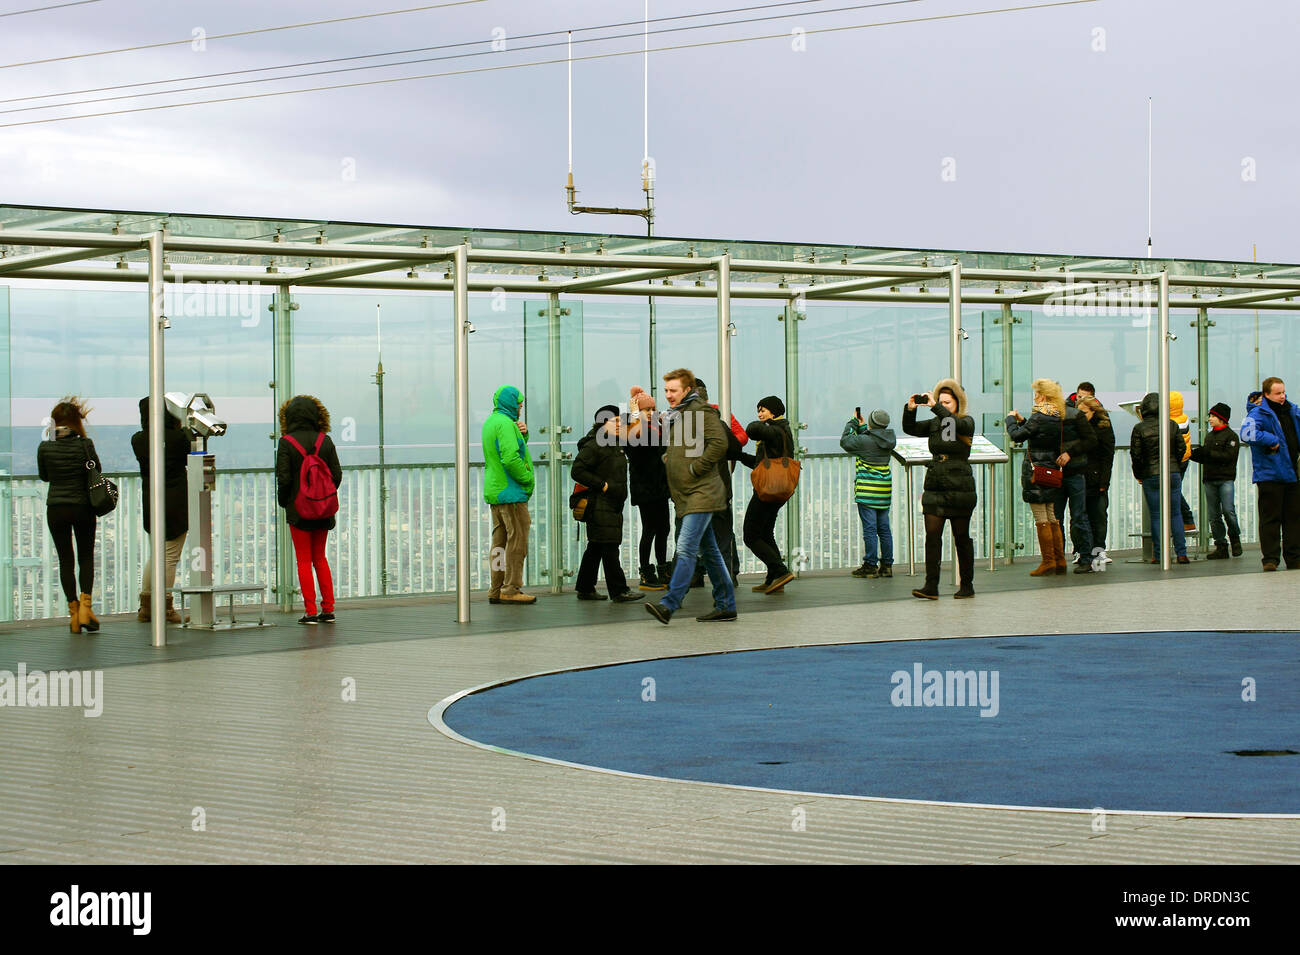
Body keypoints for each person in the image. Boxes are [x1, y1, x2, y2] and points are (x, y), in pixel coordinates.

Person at [645, 368, 737, 625]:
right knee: (711, 552)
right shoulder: (681, 415)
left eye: (673, 390)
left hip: (702, 493)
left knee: (685, 547)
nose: (668, 395)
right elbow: (685, 448)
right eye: (666, 390)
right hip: (688, 495)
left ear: (687, 390)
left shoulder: (701, 412)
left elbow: (720, 443)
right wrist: (669, 458)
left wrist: (696, 468)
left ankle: (669, 604)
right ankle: (726, 604)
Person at [903, 379, 978, 599]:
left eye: (948, 402)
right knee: (932, 536)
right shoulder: (936, 423)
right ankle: (931, 585)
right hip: (935, 483)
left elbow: (954, 424)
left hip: (960, 485)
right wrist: (910, 410)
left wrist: (936, 407)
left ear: (957, 403)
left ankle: (967, 585)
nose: (943, 406)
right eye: (941, 402)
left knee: (961, 537)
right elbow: (911, 428)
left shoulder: (966, 421)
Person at [37, 397, 103, 634]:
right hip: (83, 507)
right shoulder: (85, 444)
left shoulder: (45, 447)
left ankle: (74, 614)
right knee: (85, 557)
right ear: (76, 422)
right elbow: (97, 471)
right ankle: (86, 608)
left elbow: (45, 477)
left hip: (56, 508)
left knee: (66, 560)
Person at [277, 395, 343, 624]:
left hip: (298, 510)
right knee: (320, 558)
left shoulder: (286, 442)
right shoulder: (325, 440)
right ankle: (329, 608)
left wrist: (285, 501)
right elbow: (336, 475)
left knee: (303, 560)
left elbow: (283, 479)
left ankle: (310, 611)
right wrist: (321, 496)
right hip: (323, 509)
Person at [571, 405, 643, 603]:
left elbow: (638, 433)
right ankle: (619, 590)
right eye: (616, 421)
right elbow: (577, 470)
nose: (621, 424)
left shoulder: (615, 443)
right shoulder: (595, 445)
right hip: (599, 504)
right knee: (610, 546)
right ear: (604, 423)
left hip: (611, 504)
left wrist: (637, 412)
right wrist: (601, 485)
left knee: (596, 546)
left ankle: (585, 587)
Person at [131, 397, 190, 623]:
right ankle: (164, 607)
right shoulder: (178, 438)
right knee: (169, 556)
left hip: (151, 501)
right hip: (176, 503)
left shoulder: (138, 440)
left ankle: (146, 606)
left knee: (155, 555)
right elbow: (191, 451)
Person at [1006, 380, 1069, 577]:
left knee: (1041, 518)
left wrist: (1010, 420)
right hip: (1051, 470)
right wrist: (1024, 420)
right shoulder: (1056, 417)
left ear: (1042, 396)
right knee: (1052, 516)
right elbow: (1036, 433)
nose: (1035, 397)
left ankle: (1048, 562)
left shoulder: (1039, 416)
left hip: (1036, 473)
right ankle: (1059, 561)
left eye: (1036, 394)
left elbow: (1017, 436)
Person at [483, 384, 536, 604]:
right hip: (511, 492)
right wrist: (527, 478)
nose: (520, 409)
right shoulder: (505, 424)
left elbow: (508, 449)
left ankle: (496, 588)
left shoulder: (492, 422)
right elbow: (510, 457)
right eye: (519, 405)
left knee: (499, 543)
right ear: (511, 404)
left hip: (496, 492)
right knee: (518, 542)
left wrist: (523, 433)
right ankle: (511, 588)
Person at [1240, 377, 1300, 571]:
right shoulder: (1258, 413)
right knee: (1270, 519)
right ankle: (1270, 559)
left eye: (1283, 392)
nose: (1282, 396)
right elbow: (1247, 434)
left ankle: (1294, 558)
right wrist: (1271, 439)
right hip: (1270, 475)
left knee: (1293, 519)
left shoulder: (1292, 411)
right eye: (1277, 393)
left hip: (1293, 474)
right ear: (1266, 394)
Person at [739, 396, 797, 594]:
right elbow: (761, 463)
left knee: (750, 535)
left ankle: (780, 571)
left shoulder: (776, 429)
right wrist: (739, 456)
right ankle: (774, 578)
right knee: (765, 532)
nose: (759, 414)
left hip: (767, 490)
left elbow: (753, 430)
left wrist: (760, 423)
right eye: (758, 410)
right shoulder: (778, 430)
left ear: (774, 412)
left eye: (763, 410)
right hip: (777, 488)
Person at [1129, 392, 1189, 565]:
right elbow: (1181, 448)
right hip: (1173, 473)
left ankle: (1159, 554)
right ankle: (1181, 553)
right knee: (1175, 513)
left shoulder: (1139, 428)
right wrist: (1174, 466)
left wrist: (1139, 474)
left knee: (1156, 515)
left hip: (1151, 475)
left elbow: (1136, 455)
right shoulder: (1171, 425)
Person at [840, 408, 896, 578]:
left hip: (867, 491)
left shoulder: (864, 441)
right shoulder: (889, 440)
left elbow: (846, 441)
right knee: (884, 529)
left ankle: (870, 565)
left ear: (871, 423)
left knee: (870, 529)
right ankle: (887, 565)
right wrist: (865, 427)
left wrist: (853, 422)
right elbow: (872, 439)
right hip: (883, 490)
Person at [625, 387, 671, 590]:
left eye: (653, 408)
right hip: (645, 487)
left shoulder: (657, 428)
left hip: (659, 486)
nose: (652, 412)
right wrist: (636, 415)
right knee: (650, 529)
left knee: (663, 529)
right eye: (647, 409)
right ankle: (646, 572)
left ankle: (661, 569)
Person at [1050, 388, 1098, 572]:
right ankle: (1078, 558)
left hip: (1071, 471)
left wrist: (1070, 453)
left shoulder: (1073, 415)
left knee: (1072, 517)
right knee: (1070, 517)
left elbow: (1090, 440)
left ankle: (1076, 558)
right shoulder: (1059, 416)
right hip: (1067, 472)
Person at [1190, 402, 1242, 560]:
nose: (1210, 419)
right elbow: (1207, 457)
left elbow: (1229, 457)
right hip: (1209, 480)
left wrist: (1208, 453)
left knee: (1228, 511)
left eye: (1213, 416)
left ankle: (1234, 537)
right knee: (1214, 515)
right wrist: (1192, 454)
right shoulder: (1209, 436)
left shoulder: (1231, 437)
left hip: (1225, 479)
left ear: (1222, 419)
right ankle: (1221, 545)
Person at [1077, 396, 1115, 567]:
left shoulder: (1103, 428)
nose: (1082, 415)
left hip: (1097, 478)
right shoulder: (1077, 427)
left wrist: (1104, 482)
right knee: (1081, 517)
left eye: (1084, 412)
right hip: (1081, 477)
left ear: (1093, 411)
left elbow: (1108, 457)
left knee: (1098, 516)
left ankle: (1098, 550)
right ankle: (1083, 551)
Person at [1170, 390, 1197, 532]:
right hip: (1185, 458)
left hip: (1176, 460)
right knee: (1174, 490)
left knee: (1172, 491)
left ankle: (1187, 519)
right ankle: (1184, 520)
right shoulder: (1184, 418)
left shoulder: (1171, 422)